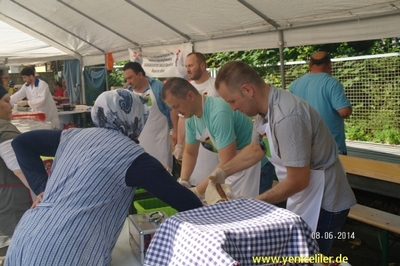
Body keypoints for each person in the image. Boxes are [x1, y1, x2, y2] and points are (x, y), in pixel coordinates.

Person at [5, 90, 202, 266]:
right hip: (67, 250)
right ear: (135, 118)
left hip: (25, 236)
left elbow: (22, 143)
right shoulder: (133, 157)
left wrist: (42, 188)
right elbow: (182, 199)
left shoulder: (74, 136)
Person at [212, 61, 356, 255]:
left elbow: (298, 180)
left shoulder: (287, 117)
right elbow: (257, 149)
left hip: (325, 201)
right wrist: (222, 171)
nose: (232, 108)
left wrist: (254, 203)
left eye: (232, 101)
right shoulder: (263, 111)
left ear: (247, 90)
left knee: (311, 256)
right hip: (305, 193)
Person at [162, 77, 260, 198]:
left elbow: (227, 160)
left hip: (254, 164)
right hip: (232, 166)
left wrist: (197, 191)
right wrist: (184, 180)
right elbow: (190, 152)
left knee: (249, 211)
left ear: (190, 96)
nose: (177, 112)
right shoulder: (191, 119)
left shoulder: (218, 113)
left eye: (177, 106)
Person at [290, 51, 352, 155]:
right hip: (331, 147)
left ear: (310, 66)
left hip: (305, 145)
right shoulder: (332, 83)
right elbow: (344, 112)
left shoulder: (295, 84)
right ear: (329, 65)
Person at [173, 52, 220, 185]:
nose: (187, 69)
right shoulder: (187, 88)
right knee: (197, 179)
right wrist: (179, 145)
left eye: (191, 65)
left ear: (202, 65)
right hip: (195, 142)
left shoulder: (215, 85)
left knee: (216, 180)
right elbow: (182, 118)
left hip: (216, 143)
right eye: (186, 66)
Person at [123, 62, 177, 170]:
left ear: (140, 75)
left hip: (159, 144)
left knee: (163, 177)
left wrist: (175, 130)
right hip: (137, 148)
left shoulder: (158, 87)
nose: (128, 82)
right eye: (126, 79)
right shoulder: (127, 93)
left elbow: (173, 109)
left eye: (130, 78)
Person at [0, 85, 32, 266]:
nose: (11, 105)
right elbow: (21, 169)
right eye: (6, 101)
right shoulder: (4, 129)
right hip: (11, 209)